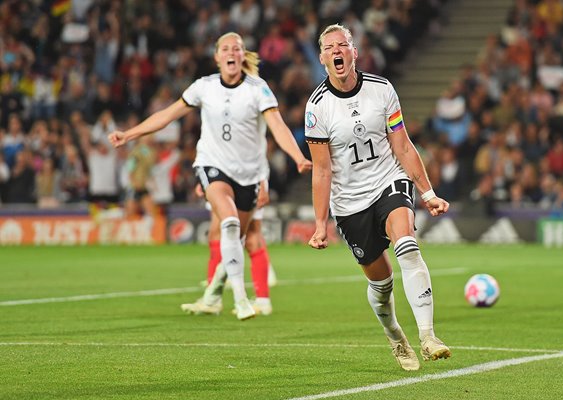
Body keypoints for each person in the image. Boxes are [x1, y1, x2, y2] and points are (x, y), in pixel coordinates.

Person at [109, 32, 311, 321]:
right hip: (212, 165)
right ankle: (242, 299)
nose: (231, 52)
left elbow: (277, 127)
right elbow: (167, 115)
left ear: (243, 56)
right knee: (228, 223)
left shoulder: (258, 89)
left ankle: (213, 296)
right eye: (225, 48)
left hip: (249, 174)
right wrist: (129, 134)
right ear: (217, 57)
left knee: (236, 236)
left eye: (237, 48)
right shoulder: (203, 87)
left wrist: (298, 157)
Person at [305, 24, 450, 371]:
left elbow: (401, 144)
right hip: (350, 203)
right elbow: (322, 171)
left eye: (343, 44)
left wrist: (427, 192)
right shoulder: (317, 108)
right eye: (329, 47)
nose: (337, 50)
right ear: (323, 58)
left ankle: (429, 336)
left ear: (354, 52)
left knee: (408, 246)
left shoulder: (382, 89)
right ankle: (396, 336)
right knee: (381, 284)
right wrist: (320, 225)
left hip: (388, 182)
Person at [181, 178, 277, 316]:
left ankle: (259, 300)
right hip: (222, 176)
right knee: (218, 233)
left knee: (249, 237)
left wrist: (261, 182)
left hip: (247, 179)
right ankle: (214, 298)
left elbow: (257, 155)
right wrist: (204, 176)